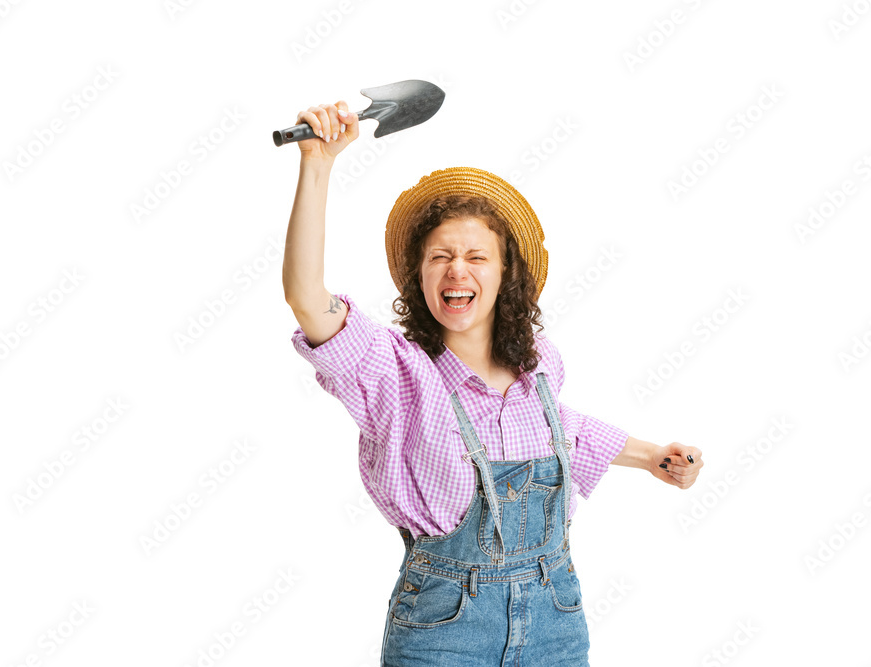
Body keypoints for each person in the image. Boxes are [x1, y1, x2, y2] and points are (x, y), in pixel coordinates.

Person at [282, 100, 705, 666]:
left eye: (476, 256)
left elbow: (566, 430)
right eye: (440, 257)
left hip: (556, 619)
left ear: (505, 275)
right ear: (419, 277)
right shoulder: (394, 372)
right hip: (443, 629)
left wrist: (653, 456)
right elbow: (307, 298)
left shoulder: (539, 366)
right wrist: (317, 164)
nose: (457, 269)